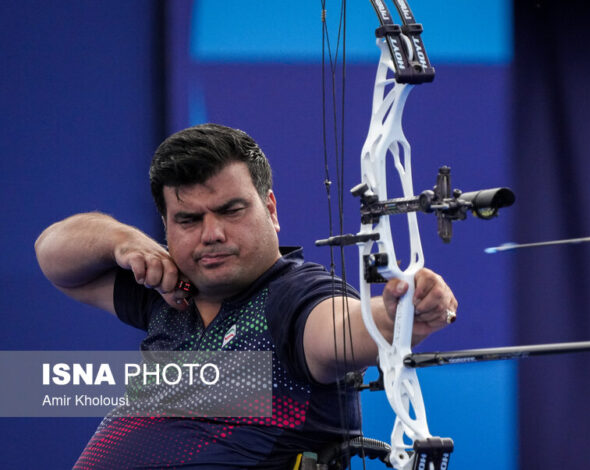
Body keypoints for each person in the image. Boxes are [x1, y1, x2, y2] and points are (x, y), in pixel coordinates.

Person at [35, 123, 457, 469]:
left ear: (270, 210)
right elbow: (55, 259)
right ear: (167, 226)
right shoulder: (168, 292)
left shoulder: (292, 295)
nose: (212, 233)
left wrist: (395, 316)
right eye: (189, 219)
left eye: (231, 211)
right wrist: (120, 240)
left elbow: (343, 329)